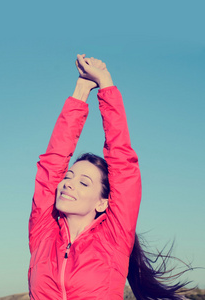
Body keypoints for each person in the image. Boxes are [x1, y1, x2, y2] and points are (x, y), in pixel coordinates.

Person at [28, 54, 189, 299]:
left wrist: (106, 84)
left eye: (83, 182)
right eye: (69, 177)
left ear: (103, 202)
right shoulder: (43, 232)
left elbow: (123, 164)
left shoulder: (114, 237)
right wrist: (81, 89)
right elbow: (51, 164)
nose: (68, 184)